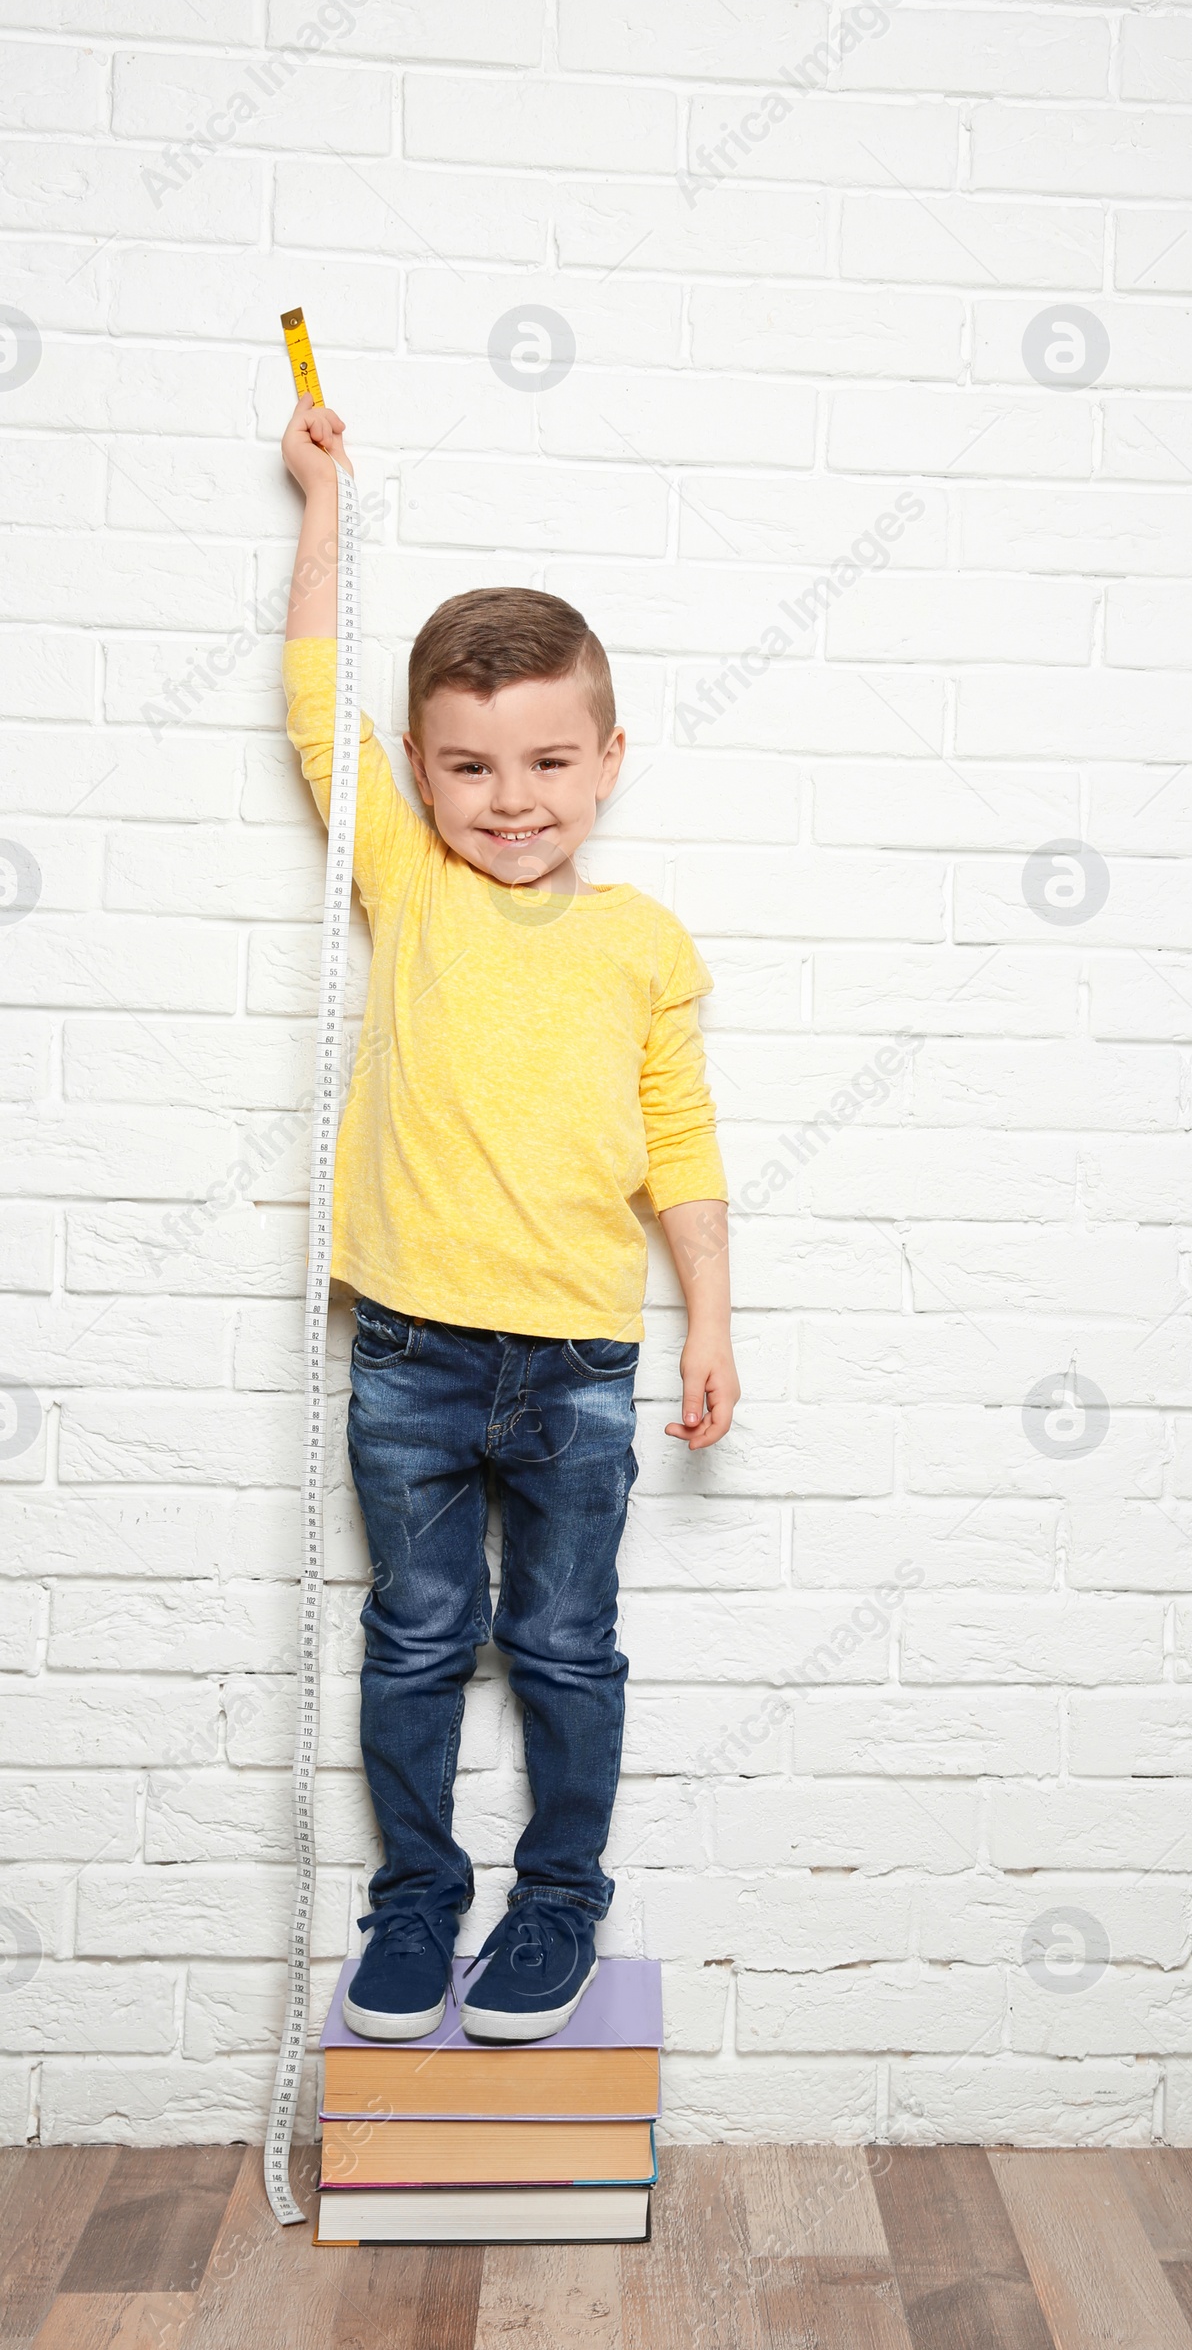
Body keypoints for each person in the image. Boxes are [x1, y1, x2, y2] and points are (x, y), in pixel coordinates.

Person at [279, 392, 738, 2044]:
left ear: (609, 762)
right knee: (413, 1641)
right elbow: (316, 706)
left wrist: (714, 1323)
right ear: (422, 773)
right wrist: (323, 505)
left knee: (562, 1647)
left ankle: (559, 1907)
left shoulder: (641, 943)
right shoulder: (409, 882)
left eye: (550, 760)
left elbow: (679, 1140)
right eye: (469, 765)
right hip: (408, 1349)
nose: (512, 796)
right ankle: (413, 1908)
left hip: (578, 1367)